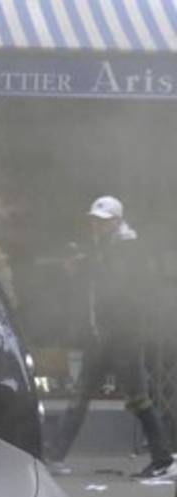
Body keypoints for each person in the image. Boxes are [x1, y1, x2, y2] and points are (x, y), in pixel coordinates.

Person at [47, 196, 176, 479]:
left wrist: (85, 266)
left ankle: (162, 457)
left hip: (124, 337)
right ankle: (54, 457)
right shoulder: (104, 248)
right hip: (102, 337)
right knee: (80, 396)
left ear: (117, 222)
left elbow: (119, 284)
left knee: (139, 400)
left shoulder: (128, 248)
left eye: (103, 222)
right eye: (94, 220)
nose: (96, 226)